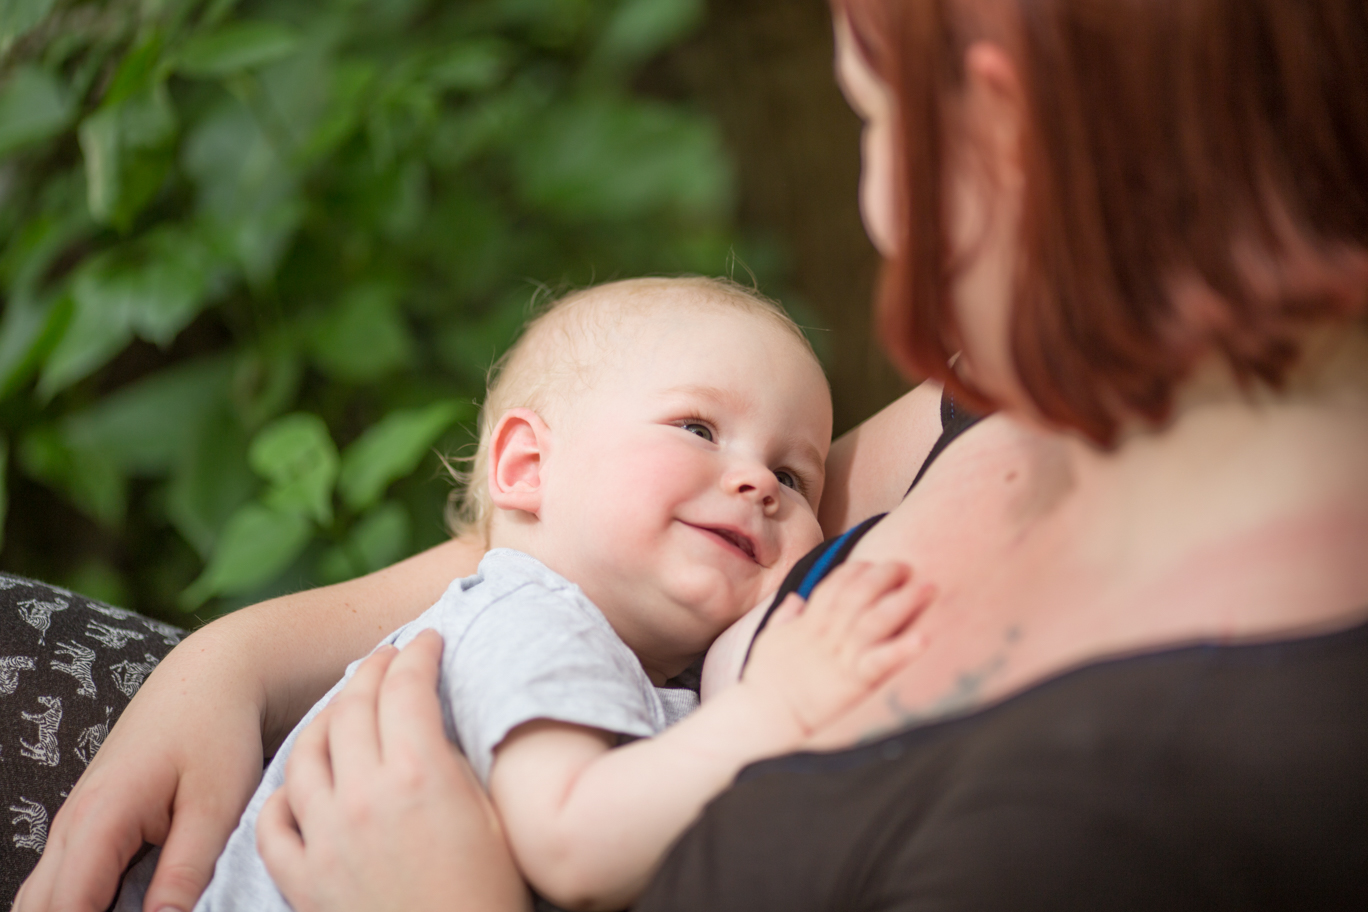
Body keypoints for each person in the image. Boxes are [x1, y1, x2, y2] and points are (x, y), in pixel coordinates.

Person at [13, 0, 1368, 909]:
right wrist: (239, 659)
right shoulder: (1018, 406)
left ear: (1007, 128)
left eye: (875, 115)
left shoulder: (1160, 799)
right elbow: (598, 536)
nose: (881, 202)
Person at [110, 276, 928, 912]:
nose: (759, 484)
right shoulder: (537, 620)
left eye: (795, 476)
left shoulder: (611, 650)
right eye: (698, 429)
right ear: (527, 470)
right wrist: (778, 714)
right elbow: (575, 844)